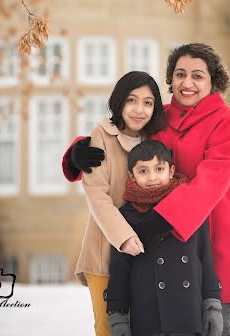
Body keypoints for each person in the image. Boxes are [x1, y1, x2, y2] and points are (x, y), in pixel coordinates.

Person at [63, 43, 230, 336]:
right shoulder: (160, 117)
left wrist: (158, 220)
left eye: (198, 75)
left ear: (213, 81)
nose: (187, 83)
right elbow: (121, 136)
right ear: (170, 80)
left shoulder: (226, 121)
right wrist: (78, 152)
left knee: (214, 326)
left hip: (217, 235)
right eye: (180, 74)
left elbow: (209, 183)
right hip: (162, 243)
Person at [74, 71, 166, 336]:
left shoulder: (154, 142)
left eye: (148, 102)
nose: (139, 109)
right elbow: (96, 194)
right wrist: (123, 236)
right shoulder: (101, 135)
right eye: (131, 100)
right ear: (119, 102)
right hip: (105, 252)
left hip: (144, 256)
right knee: (110, 330)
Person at [105, 139, 223, 336]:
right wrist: (117, 316)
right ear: (131, 177)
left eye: (159, 169)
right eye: (143, 171)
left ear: (171, 171)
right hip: (148, 317)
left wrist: (212, 304)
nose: (152, 177)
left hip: (187, 315)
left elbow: (205, 258)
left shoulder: (191, 207)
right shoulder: (125, 216)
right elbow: (119, 270)